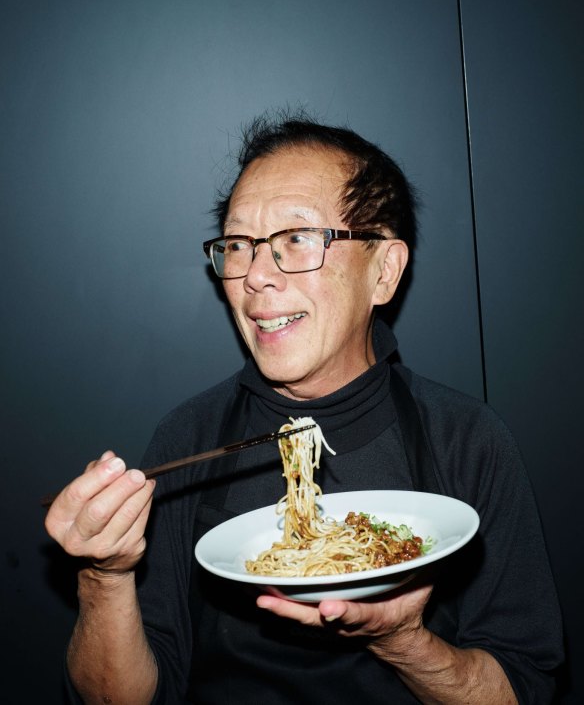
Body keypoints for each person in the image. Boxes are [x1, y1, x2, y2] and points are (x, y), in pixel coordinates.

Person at [45, 114, 563, 704]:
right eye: (239, 245)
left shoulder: (468, 439)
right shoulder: (189, 435)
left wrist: (402, 640)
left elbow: (524, 688)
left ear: (384, 271)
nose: (256, 277)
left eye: (296, 239)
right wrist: (103, 576)